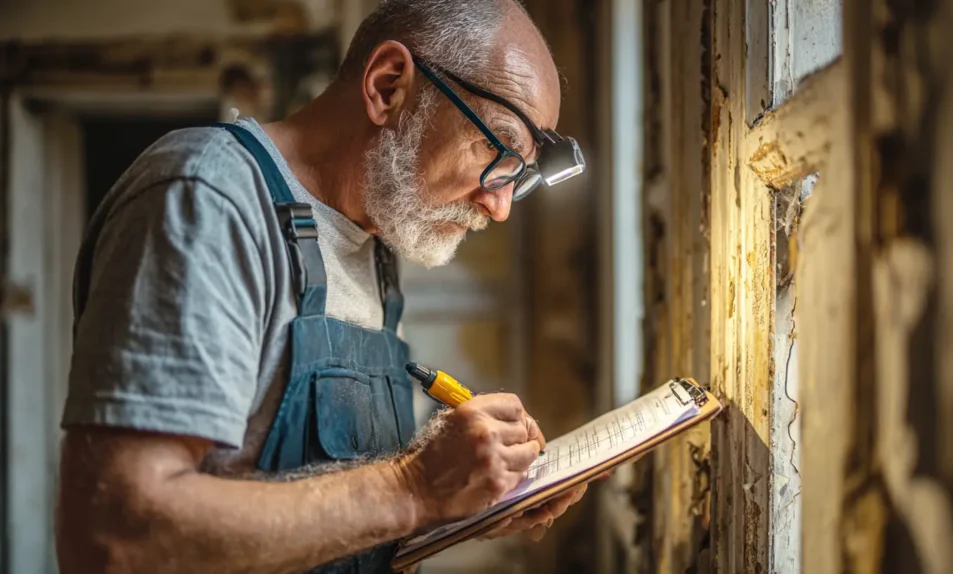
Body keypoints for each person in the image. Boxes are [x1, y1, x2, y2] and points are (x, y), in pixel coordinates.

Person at [54, 1, 589, 572]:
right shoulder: (207, 202)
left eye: (518, 174)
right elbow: (115, 533)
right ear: (389, 87)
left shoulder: (375, 243)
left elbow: (336, 512)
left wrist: (465, 501)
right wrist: (415, 488)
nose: (500, 205)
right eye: (496, 149)